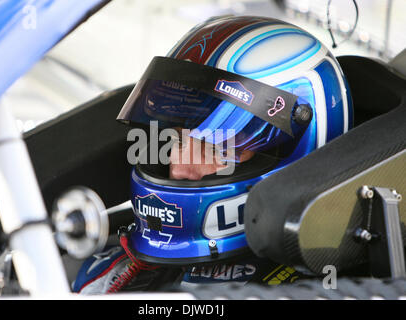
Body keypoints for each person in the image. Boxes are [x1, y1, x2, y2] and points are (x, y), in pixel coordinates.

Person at [73, 14, 353, 294]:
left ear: (299, 153)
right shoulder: (102, 274)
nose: (179, 168)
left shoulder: (321, 289)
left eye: (218, 148)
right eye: (179, 139)